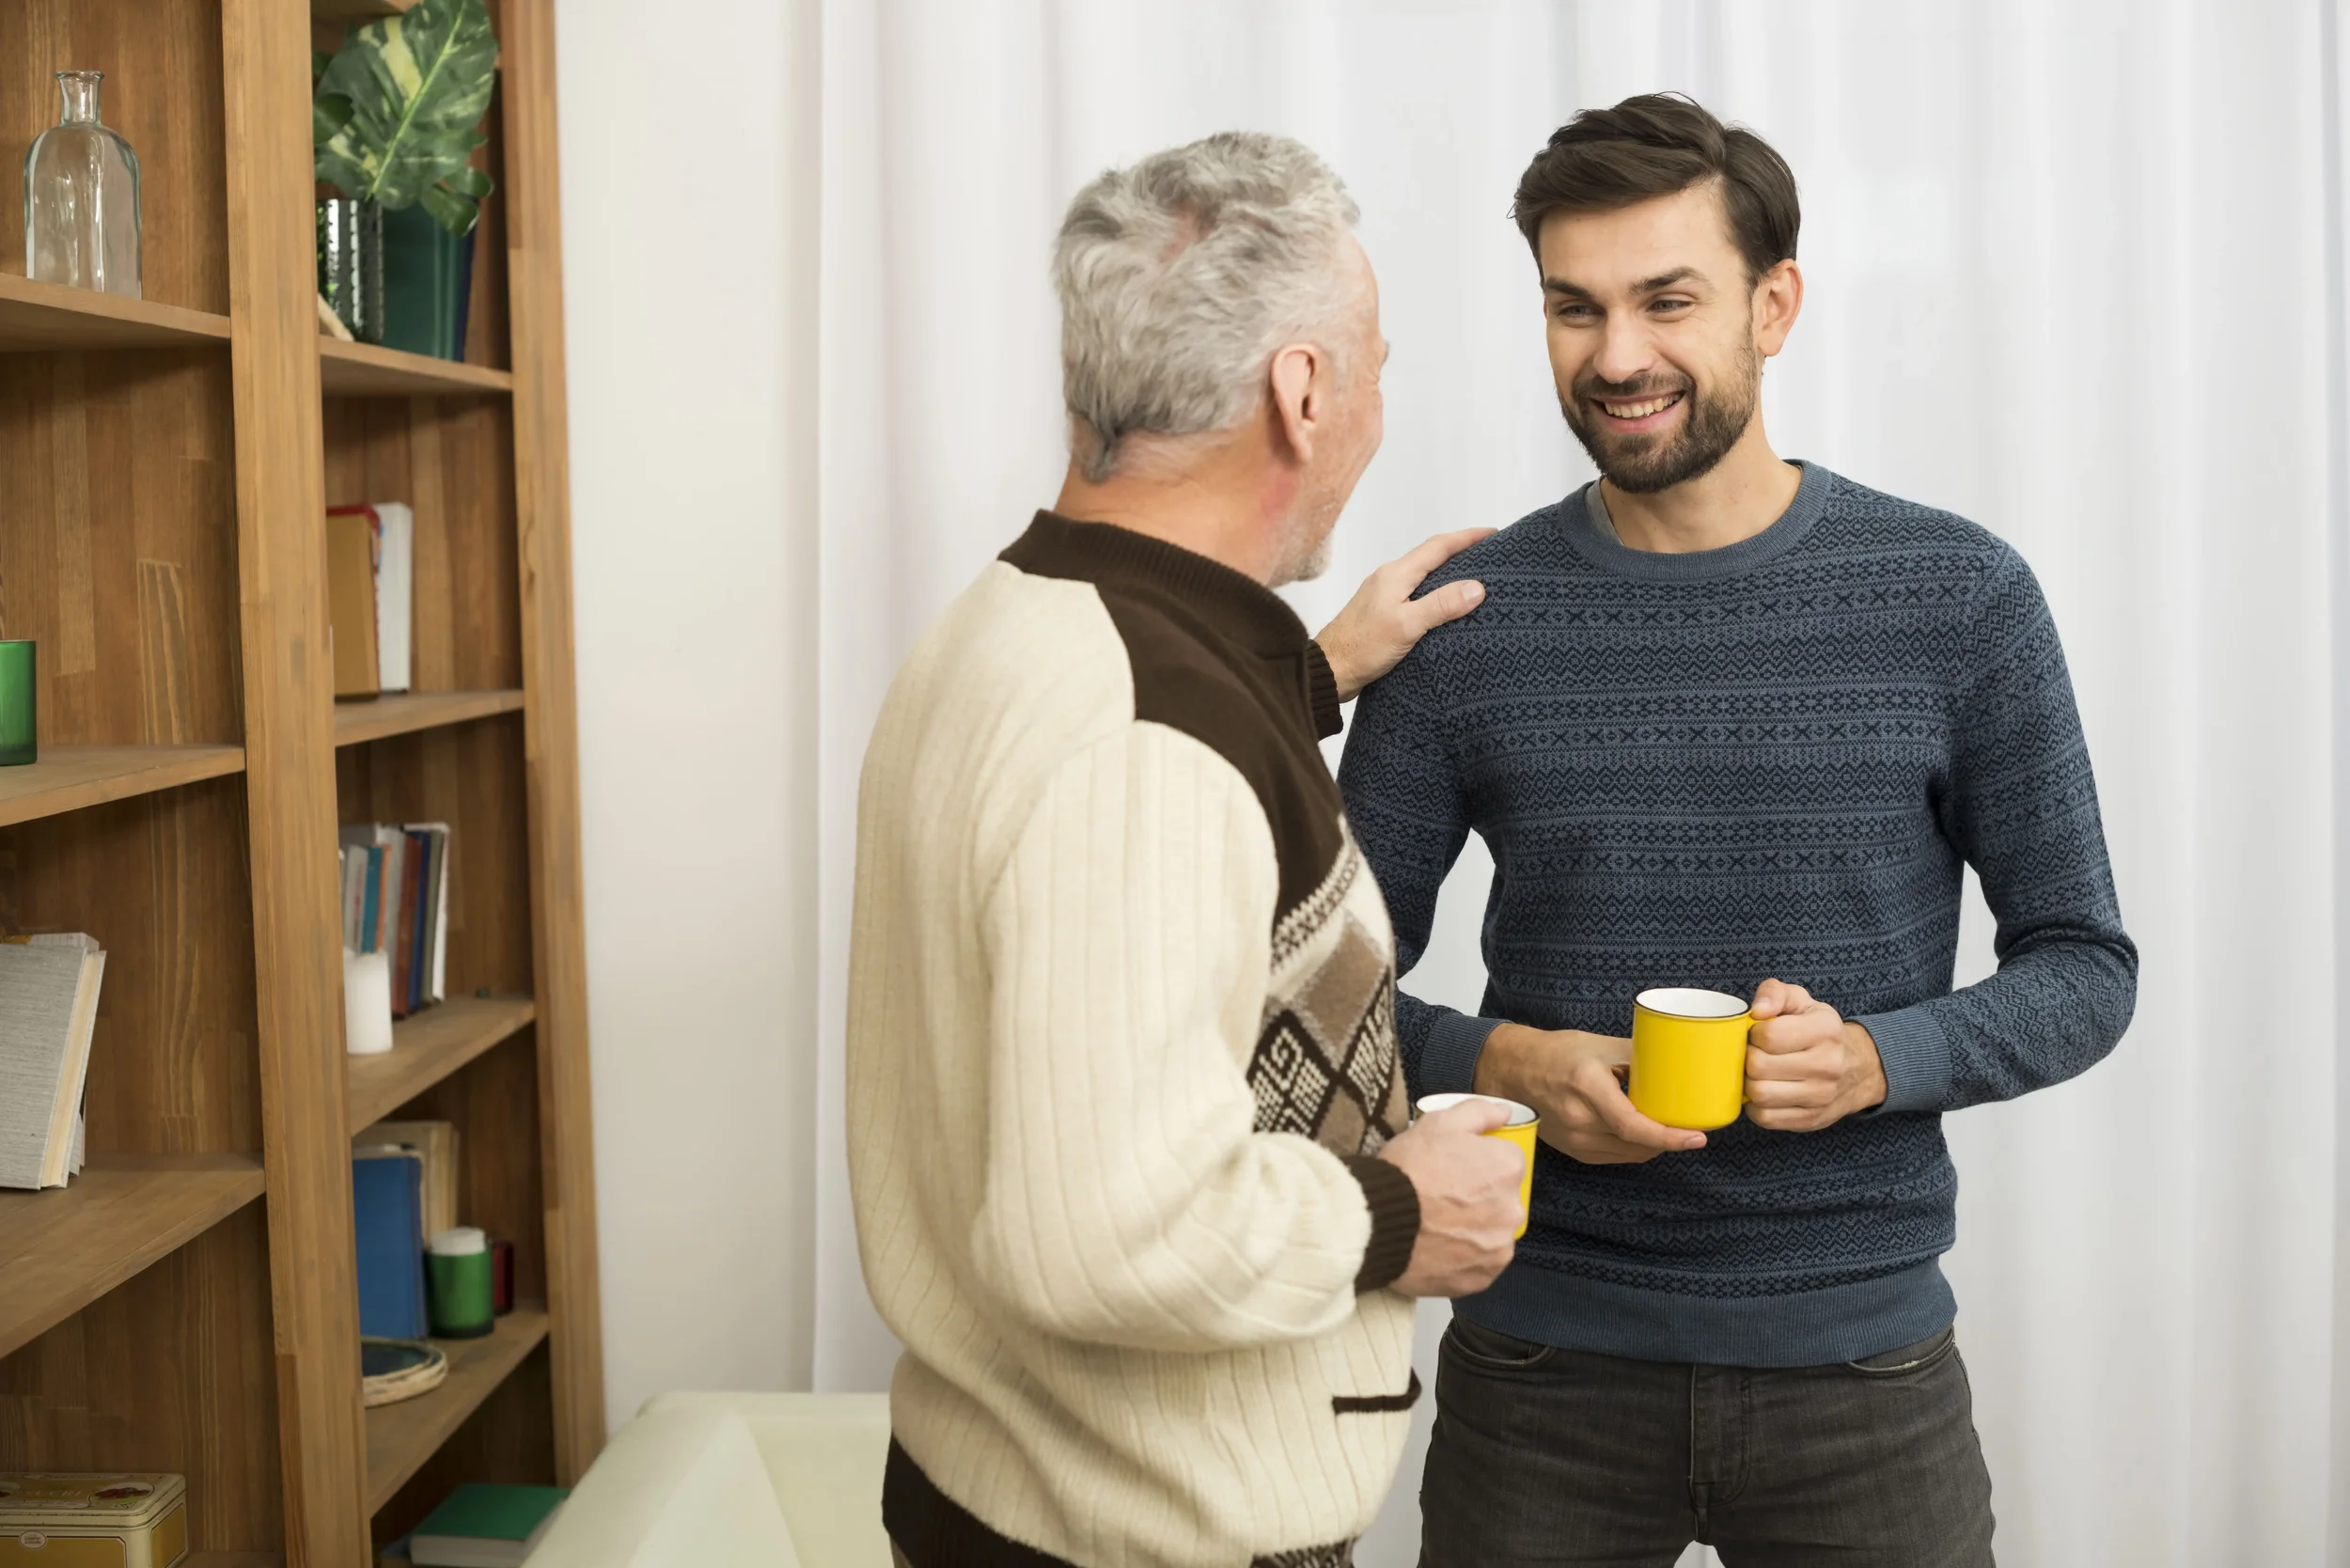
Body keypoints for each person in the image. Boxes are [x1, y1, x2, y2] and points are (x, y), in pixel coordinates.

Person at [1339, 94, 2139, 1566]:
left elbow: (2086, 967)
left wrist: (1882, 1060)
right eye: (1573, 308)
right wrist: (1499, 1064)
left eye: (1668, 300)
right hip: (1540, 1373)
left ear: (1775, 305)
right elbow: (1312, 997)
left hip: (1863, 1377)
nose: (1617, 355)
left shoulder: (1959, 598)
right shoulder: (1465, 630)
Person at [847, 131, 1527, 1568]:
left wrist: (1313, 676)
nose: (1378, 406)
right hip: (1139, 1541)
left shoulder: (1015, 629)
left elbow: (1117, 807)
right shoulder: (1148, 751)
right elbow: (1104, 1234)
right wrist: (1405, 1212)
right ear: (1303, 389)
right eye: (1379, 366)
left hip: (1006, 1498)